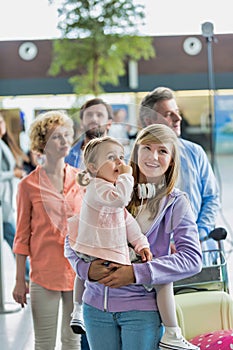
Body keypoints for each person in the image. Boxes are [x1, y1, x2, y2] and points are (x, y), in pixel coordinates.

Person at [65, 123, 202, 350]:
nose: (153, 156)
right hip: (95, 309)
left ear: (172, 161)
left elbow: (192, 259)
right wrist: (85, 270)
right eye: (147, 147)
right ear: (136, 150)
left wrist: (136, 273)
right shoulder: (109, 187)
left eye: (163, 151)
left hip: (141, 312)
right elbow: (74, 237)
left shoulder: (177, 203)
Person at [12, 111, 82, 350]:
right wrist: (19, 280)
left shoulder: (82, 180)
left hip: (78, 274)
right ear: (43, 144)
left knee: (72, 340)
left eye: (66, 135)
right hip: (43, 274)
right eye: (56, 137)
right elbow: (21, 237)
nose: (64, 141)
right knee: (44, 343)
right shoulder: (27, 186)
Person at [139, 87, 220, 257]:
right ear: (148, 121)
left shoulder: (195, 153)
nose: (178, 118)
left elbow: (211, 198)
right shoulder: (134, 159)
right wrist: (162, 244)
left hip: (198, 249)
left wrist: (196, 235)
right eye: (169, 114)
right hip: (154, 256)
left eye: (177, 112)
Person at [65, 98, 113, 349]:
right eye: (89, 115)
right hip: (81, 239)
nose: (93, 119)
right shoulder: (68, 156)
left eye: (99, 115)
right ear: (82, 121)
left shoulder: (122, 155)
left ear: (109, 122)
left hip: (113, 242)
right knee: (86, 323)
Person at [0, 113, 30, 283]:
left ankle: (27, 276)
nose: (1, 125)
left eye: (1, 122)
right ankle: (28, 276)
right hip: (2, 206)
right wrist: (13, 173)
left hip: (5, 203)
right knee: (16, 241)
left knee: (15, 240)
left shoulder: (3, 144)